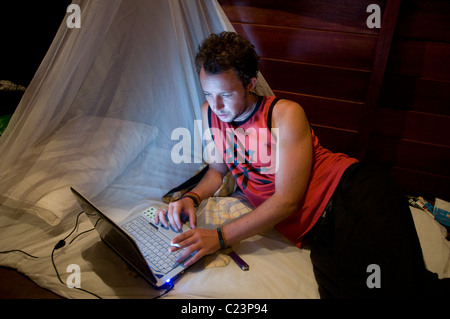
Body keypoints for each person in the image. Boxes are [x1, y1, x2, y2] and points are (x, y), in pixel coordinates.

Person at [155, 31, 449, 298]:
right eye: (209, 94)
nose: (216, 106)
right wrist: (191, 197)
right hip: (317, 230)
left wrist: (219, 237)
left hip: (351, 192)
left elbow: (287, 201)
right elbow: (218, 170)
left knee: (398, 286)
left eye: (226, 94)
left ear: (250, 84)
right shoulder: (211, 114)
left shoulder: (284, 113)